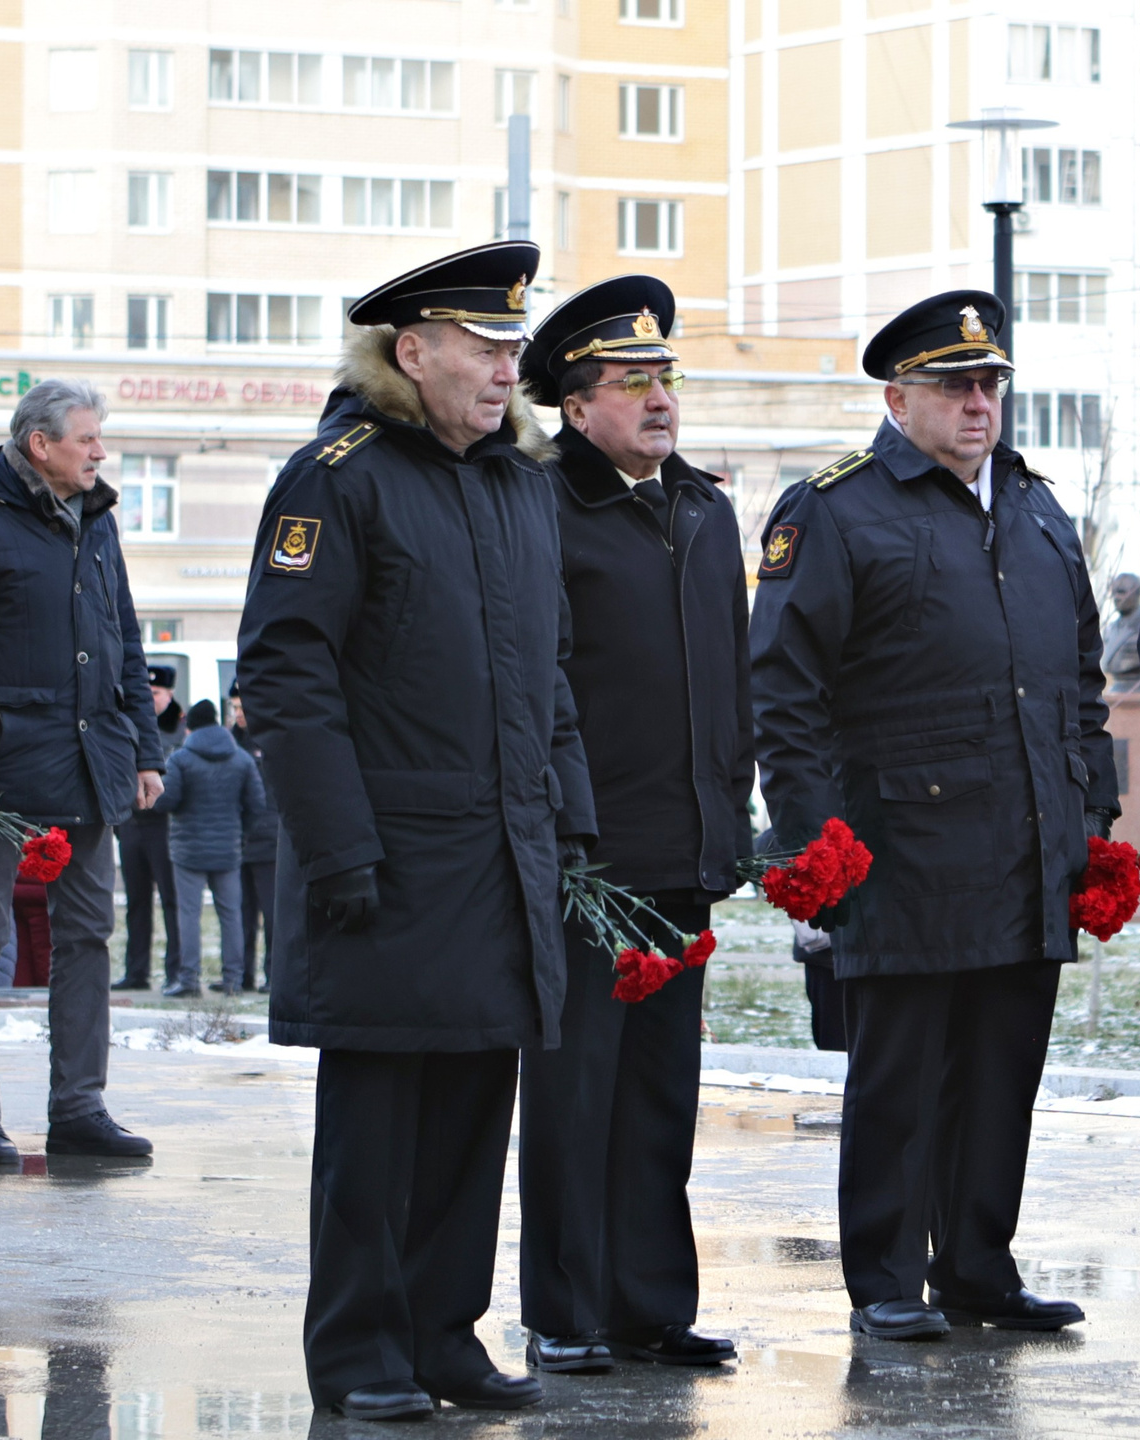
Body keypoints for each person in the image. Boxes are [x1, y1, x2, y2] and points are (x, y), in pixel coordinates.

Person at [237, 239, 591, 1422]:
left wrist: (570, 827)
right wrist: (336, 848)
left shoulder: (517, 484)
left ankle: (444, 1338)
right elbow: (289, 678)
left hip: (500, 857)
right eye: (486, 350)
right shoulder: (336, 477)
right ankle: (359, 1356)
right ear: (412, 350)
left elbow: (549, 674)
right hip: (386, 860)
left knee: (469, 1124)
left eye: (513, 350)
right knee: (376, 1135)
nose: (506, 372)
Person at [752, 289, 1115, 1342]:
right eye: (954, 386)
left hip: (1026, 845)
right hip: (901, 848)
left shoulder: (1039, 509)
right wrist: (811, 840)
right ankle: (883, 1280)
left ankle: (977, 1269)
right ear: (896, 397)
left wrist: (1088, 819)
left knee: (1002, 1078)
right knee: (902, 1080)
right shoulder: (835, 509)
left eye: (989, 384)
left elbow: (1079, 680)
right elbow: (785, 687)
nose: (977, 404)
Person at [513, 274, 748, 1375]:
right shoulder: (544, 504)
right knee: (576, 1099)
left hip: (683, 853)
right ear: (574, 403)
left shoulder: (702, 508)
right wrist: (564, 829)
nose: (659, 399)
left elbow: (730, 685)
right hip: (588, 858)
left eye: (665, 378)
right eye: (630, 381)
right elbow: (537, 676)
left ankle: (651, 1304)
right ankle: (564, 1310)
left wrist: (731, 822)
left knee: (660, 1096)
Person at [0, 378, 168, 1165]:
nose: (101, 451)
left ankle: (79, 1107)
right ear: (40, 445)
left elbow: (122, 636)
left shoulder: (97, 522)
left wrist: (147, 752)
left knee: (88, 935)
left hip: (93, 765)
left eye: (100, 438)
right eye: (87, 439)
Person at [153, 699, 263, 994]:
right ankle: (233, 980)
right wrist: (241, 834)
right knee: (231, 914)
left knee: (188, 913)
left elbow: (167, 800)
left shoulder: (180, 759)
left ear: (190, 726)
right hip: (228, 848)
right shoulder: (241, 759)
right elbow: (257, 804)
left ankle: (188, 980)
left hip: (188, 850)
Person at [117, 666, 185, 992]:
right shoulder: (132, 725)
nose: (151, 698)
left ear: (169, 695)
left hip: (165, 827)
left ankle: (177, 971)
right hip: (132, 824)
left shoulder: (180, 730)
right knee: (137, 901)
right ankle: (137, 972)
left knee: (173, 901)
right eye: (147, 692)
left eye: (156, 693)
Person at [226, 685, 279, 992]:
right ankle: (243, 975)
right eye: (234, 708)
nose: (238, 714)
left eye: (243, 707)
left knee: (272, 915)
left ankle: (273, 975)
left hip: (268, 838)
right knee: (242, 912)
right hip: (240, 840)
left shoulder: (270, 739)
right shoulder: (232, 740)